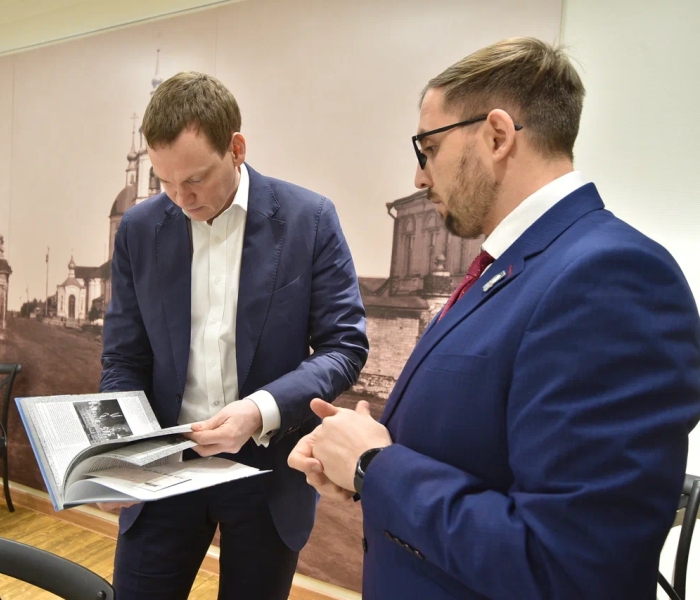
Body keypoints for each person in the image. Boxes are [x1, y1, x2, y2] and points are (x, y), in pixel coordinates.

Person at [289, 37, 700, 599]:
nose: (419, 178)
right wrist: (356, 459)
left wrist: (373, 465)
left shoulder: (611, 276)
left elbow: (570, 568)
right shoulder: (512, 268)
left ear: (498, 136)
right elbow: (477, 455)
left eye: (428, 148)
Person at [100, 71, 368, 600]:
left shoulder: (309, 219)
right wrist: (119, 452)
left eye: (195, 179)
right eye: (164, 181)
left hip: (268, 472)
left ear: (236, 148)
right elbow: (124, 358)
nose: (181, 197)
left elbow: (343, 347)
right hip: (163, 466)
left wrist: (259, 410)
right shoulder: (139, 229)